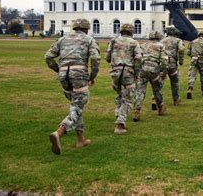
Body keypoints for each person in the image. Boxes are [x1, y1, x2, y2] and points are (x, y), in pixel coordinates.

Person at [44, 18, 100, 155]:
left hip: (64, 76)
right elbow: (95, 58)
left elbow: (48, 57)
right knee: (79, 105)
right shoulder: (89, 39)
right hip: (79, 74)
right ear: (86, 28)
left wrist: (59, 70)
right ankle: (59, 132)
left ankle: (80, 139)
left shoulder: (62, 39)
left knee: (75, 106)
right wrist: (92, 76)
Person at [105, 23, 142, 135]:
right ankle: (120, 124)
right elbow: (138, 58)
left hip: (115, 72)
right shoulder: (134, 42)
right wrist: (137, 72)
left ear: (120, 31)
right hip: (128, 72)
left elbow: (107, 57)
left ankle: (118, 114)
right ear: (132, 32)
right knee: (127, 98)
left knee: (119, 95)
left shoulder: (113, 41)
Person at [139, 31, 168, 116]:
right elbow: (164, 60)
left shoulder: (143, 45)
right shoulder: (161, 46)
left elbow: (138, 57)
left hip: (143, 69)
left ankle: (137, 110)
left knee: (140, 91)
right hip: (154, 70)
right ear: (159, 37)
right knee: (157, 90)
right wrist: (164, 72)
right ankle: (160, 107)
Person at [161, 25, 185, 106]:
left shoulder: (162, 41)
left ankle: (155, 99)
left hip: (162, 62)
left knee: (160, 81)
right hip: (172, 62)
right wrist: (181, 60)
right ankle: (176, 99)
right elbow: (181, 49)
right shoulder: (178, 40)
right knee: (174, 81)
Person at [187, 31, 203, 98]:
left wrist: (193, 56)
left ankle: (190, 87)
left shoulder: (192, 42)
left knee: (192, 75)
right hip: (202, 60)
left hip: (193, 59)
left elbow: (188, 52)